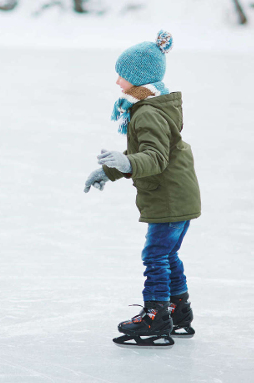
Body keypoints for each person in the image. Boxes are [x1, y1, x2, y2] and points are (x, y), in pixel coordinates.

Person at [83, 30, 201, 348]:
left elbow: (153, 158)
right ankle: (178, 311)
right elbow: (145, 157)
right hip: (177, 194)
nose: (118, 83)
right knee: (168, 254)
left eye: (122, 76)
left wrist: (124, 162)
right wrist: (109, 171)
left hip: (169, 197)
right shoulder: (152, 108)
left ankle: (157, 315)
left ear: (138, 80)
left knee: (155, 255)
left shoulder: (147, 113)